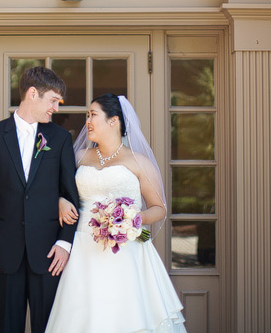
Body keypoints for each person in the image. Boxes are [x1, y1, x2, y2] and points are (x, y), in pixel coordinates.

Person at [45, 94, 187, 333]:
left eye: (93, 115)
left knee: (125, 313)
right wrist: (60, 200)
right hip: (82, 249)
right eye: (87, 115)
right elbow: (57, 191)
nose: (87, 121)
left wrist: (130, 220)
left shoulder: (138, 161)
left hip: (128, 247)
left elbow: (159, 208)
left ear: (113, 121)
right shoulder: (78, 157)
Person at [0, 66, 81, 333]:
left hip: (49, 253)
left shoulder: (59, 138)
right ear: (33, 94)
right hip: (3, 253)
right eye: (53, 101)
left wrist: (65, 242)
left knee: (48, 327)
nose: (56, 108)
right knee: (7, 327)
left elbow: (70, 194)